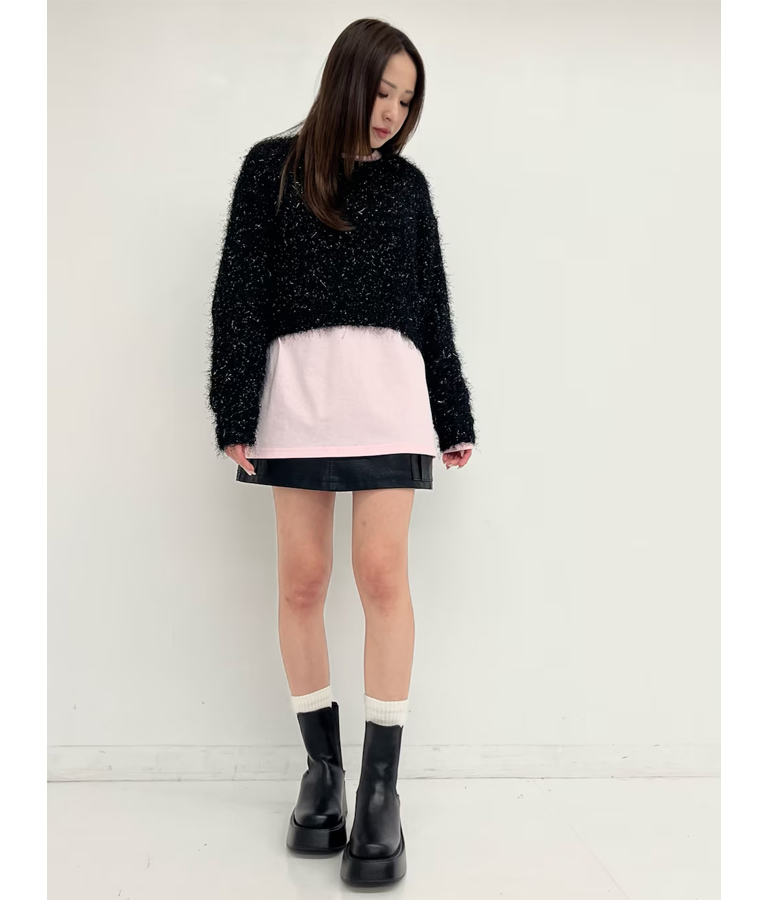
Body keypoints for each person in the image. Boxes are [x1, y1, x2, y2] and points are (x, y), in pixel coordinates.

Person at [206, 17, 478, 887]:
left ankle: (380, 793)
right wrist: (233, 405)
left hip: (389, 401)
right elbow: (240, 292)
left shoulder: (408, 188)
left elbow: (431, 303)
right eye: (382, 91)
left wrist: (453, 411)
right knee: (301, 581)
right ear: (346, 79)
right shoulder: (270, 169)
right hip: (298, 400)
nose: (392, 111)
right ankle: (321, 773)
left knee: (383, 577)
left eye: (407, 99)